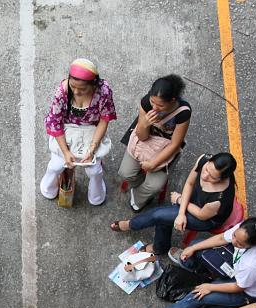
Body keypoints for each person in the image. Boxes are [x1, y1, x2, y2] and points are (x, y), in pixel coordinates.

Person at [131, 217, 256, 308]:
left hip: (246, 292)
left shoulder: (254, 264)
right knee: (197, 246)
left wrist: (210, 287)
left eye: (239, 243)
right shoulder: (248, 230)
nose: (233, 242)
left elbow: (238, 287)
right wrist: (193, 249)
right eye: (234, 237)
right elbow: (221, 238)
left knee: (198, 295)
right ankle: (199, 270)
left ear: (252, 245)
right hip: (241, 271)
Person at [110, 153, 237, 256]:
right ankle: (159, 247)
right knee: (164, 217)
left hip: (206, 218)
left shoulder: (219, 199)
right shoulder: (204, 159)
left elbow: (201, 215)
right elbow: (189, 183)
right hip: (195, 200)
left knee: (159, 215)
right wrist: (181, 213)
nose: (204, 176)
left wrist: (180, 200)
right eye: (206, 170)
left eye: (212, 177)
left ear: (222, 179)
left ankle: (132, 225)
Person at [40, 58, 117, 206]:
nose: (76, 91)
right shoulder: (62, 90)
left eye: (82, 89)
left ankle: (96, 194)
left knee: (94, 171)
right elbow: (55, 122)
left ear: (93, 84)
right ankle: (49, 187)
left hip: (91, 131)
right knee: (56, 165)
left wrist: (92, 149)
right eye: (73, 86)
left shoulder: (103, 91)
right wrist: (66, 151)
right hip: (67, 130)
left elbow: (104, 120)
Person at [120, 75, 191, 211]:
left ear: (172, 100)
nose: (155, 107)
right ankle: (139, 186)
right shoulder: (146, 103)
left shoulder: (183, 113)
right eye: (153, 102)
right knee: (125, 172)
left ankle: (138, 196)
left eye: (160, 105)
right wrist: (144, 124)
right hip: (144, 141)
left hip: (164, 147)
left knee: (154, 186)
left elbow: (175, 144)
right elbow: (142, 136)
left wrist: (153, 164)